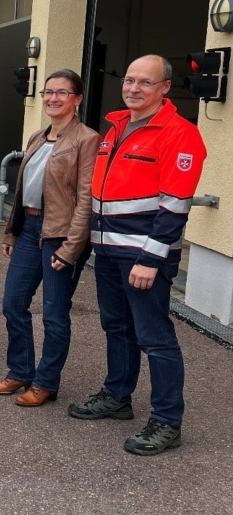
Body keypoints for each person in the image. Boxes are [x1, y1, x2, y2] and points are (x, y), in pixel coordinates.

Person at [69, 54, 206, 456]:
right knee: (117, 328)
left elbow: (176, 203)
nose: (133, 88)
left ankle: (167, 421)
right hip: (108, 251)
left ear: (165, 88)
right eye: (129, 80)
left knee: (155, 338)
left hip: (144, 255)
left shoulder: (180, 134)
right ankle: (117, 395)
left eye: (145, 82)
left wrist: (152, 258)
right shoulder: (116, 127)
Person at [0, 70, 99, 406]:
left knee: (54, 313)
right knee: (13, 303)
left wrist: (71, 248)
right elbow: (23, 190)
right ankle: (20, 371)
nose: (53, 98)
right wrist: (12, 230)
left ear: (77, 99)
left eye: (62, 93)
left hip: (61, 235)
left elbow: (85, 198)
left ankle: (46, 382)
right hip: (30, 229)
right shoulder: (38, 136)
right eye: (49, 92)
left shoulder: (87, 139)